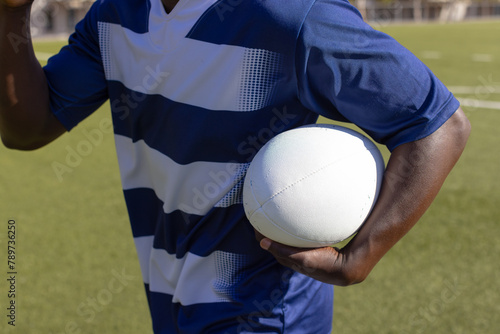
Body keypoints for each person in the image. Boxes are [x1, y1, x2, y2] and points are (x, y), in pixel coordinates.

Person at [0, 0, 470, 333]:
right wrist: (11, 11)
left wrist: (361, 255)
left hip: (260, 311)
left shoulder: (292, 13)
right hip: (167, 296)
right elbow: (28, 127)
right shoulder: (116, 13)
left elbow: (438, 125)